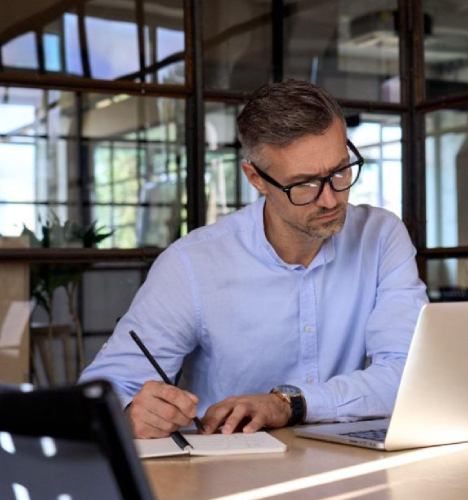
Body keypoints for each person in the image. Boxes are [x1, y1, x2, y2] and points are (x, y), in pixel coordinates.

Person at [79, 79, 427, 439]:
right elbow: (101, 390)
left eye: (340, 171)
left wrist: (289, 403)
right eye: (304, 184)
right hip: (227, 473)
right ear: (255, 178)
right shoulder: (193, 264)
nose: (330, 200)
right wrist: (129, 411)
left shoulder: (381, 236)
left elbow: (410, 373)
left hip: (349, 466)